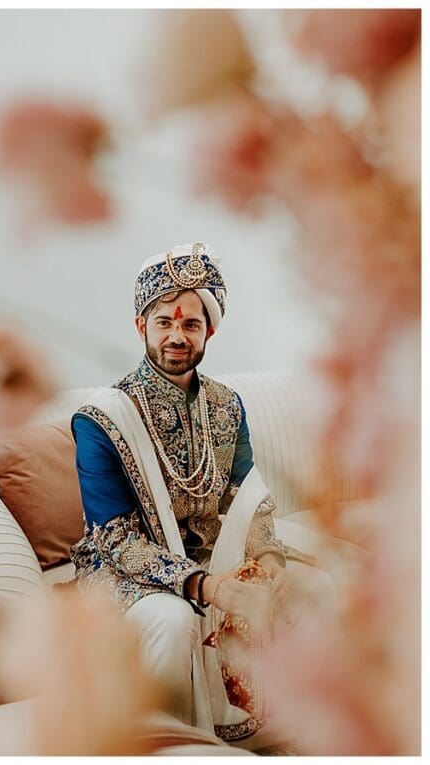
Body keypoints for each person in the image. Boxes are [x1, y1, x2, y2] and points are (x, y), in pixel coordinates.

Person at [69, 242, 320, 742]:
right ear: (141, 327)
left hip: (212, 554)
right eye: (164, 322)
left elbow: (247, 497)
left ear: (210, 330)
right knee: (176, 620)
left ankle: (285, 741)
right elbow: (116, 540)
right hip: (124, 570)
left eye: (190, 324)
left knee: (314, 592)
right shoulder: (102, 418)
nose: (176, 336)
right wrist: (208, 587)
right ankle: (168, 745)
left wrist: (269, 562)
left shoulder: (228, 405)